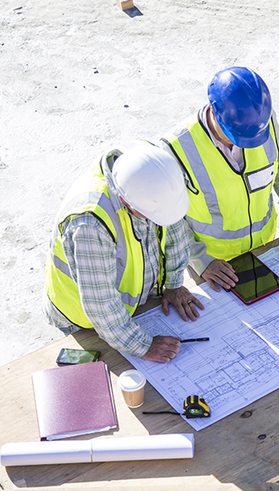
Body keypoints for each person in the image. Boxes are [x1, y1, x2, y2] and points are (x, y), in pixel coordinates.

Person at [43, 143, 204, 363]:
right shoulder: (90, 223)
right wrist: (143, 346)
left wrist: (173, 285)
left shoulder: (156, 174)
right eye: (149, 215)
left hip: (132, 306)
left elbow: (174, 229)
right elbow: (100, 304)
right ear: (123, 199)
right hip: (84, 321)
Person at [159, 66, 279, 291]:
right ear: (214, 112)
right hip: (215, 266)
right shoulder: (176, 148)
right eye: (239, 136)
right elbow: (169, 219)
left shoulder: (262, 122)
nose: (246, 144)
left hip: (265, 248)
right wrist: (201, 261)